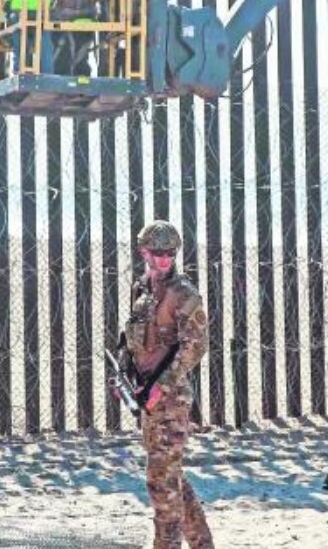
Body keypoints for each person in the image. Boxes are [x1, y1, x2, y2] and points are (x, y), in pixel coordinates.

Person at [119, 220, 214, 549]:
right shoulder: (142, 287)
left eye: (170, 253)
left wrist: (161, 385)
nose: (164, 259)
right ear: (144, 252)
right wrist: (126, 370)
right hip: (147, 397)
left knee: (162, 486)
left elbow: (195, 346)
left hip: (170, 401)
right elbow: (135, 339)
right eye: (157, 252)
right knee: (171, 478)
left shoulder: (183, 293)